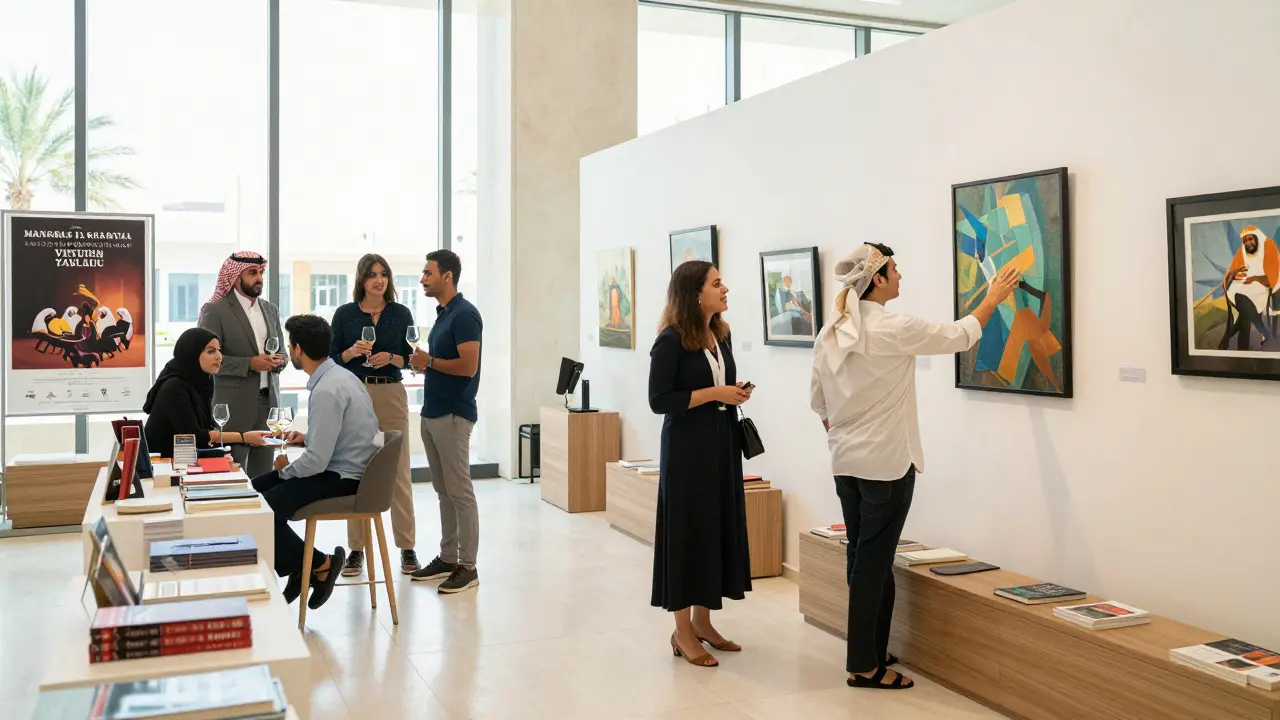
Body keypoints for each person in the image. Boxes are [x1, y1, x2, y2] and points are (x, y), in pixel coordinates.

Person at [810, 242, 1020, 691]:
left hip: (845, 463)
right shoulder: (892, 327)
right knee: (872, 562)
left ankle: (871, 648)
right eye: (896, 270)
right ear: (879, 278)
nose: (902, 277)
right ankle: (863, 665)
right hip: (885, 465)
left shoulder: (831, 331)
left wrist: (845, 432)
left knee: (864, 558)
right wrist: (993, 298)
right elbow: (959, 335)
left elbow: (818, 403)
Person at [648, 260, 754, 668]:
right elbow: (660, 400)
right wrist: (715, 394)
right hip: (687, 453)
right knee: (687, 534)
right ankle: (682, 631)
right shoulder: (670, 340)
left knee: (713, 531)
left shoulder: (719, 335)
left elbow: (717, 388)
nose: (724, 288)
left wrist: (734, 393)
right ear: (694, 293)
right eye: (716, 283)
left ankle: (704, 622)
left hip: (720, 447)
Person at [251, 314, 381, 610]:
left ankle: (320, 565)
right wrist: (306, 437)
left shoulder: (326, 390)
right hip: (352, 469)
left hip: (343, 478)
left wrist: (285, 469)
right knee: (252, 492)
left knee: (260, 510)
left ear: (297, 350)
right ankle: (305, 566)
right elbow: (340, 435)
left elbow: (317, 463)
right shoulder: (342, 377)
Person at [330, 254, 420, 577]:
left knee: (398, 470)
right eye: (372, 275)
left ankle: (407, 547)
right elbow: (330, 359)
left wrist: (393, 357)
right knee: (356, 470)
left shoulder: (401, 313)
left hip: (391, 394)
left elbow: (412, 358)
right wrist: (351, 353)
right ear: (361, 280)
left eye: (383, 274)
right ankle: (357, 550)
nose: (379, 280)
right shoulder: (344, 315)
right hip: (354, 395)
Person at [408, 249, 483, 594]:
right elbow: (439, 361)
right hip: (433, 412)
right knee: (443, 492)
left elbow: (468, 366)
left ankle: (468, 566)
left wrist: (430, 361)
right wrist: (426, 362)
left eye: (428, 273)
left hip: (453, 414)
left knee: (459, 491)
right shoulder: (444, 314)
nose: (423, 279)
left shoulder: (465, 315)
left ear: (447, 276)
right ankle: (448, 556)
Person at [198, 251, 286, 477]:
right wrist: (249, 364)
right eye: (253, 273)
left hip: (268, 403)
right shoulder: (215, 310)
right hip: (232, 407)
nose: (260, 278)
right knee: (231, 474)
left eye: (261, 272)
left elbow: (281, 351)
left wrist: (278, 361)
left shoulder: (270, 309)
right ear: (236, 277)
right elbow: (205, 360)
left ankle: (265, 513)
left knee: (264, 475)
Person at [143, 327, 269, 458]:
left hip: (185, 457)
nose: (219, 357)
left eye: (219, 350)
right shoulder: (174, 387)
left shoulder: (202, 381)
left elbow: (205, 430)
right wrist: (244, 437)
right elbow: (195, 436)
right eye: (211, 351)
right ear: (192, 353)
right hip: (163, 463)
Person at [1220, 225, 1280, 350]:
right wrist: (1236, 273)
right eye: (1245, 240)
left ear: (1257, 237)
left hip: (1260, 288)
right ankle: (1263, 331)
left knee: (1244, 314)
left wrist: (1254, 278)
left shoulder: (1268, 245)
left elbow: (1271, 277)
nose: (1248, 243)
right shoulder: (1242, 250)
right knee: (1240, 297)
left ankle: (1228, 341)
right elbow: (1232, 271)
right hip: (1240, 287)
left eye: (1250, 239)